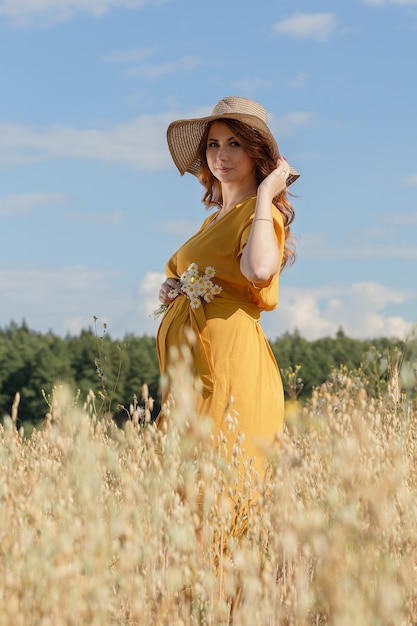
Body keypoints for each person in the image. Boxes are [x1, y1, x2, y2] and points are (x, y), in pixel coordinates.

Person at [156, 96, 300, 478]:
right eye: (213, 144)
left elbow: (258, 268)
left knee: (221, 485)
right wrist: (175, 288)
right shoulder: (213, 221)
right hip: (193, 374)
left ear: (257, 154)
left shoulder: (260, 213)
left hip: (231, 366)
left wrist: (267, 195)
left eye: (235, 143)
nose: (222, 154)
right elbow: (212, 273)